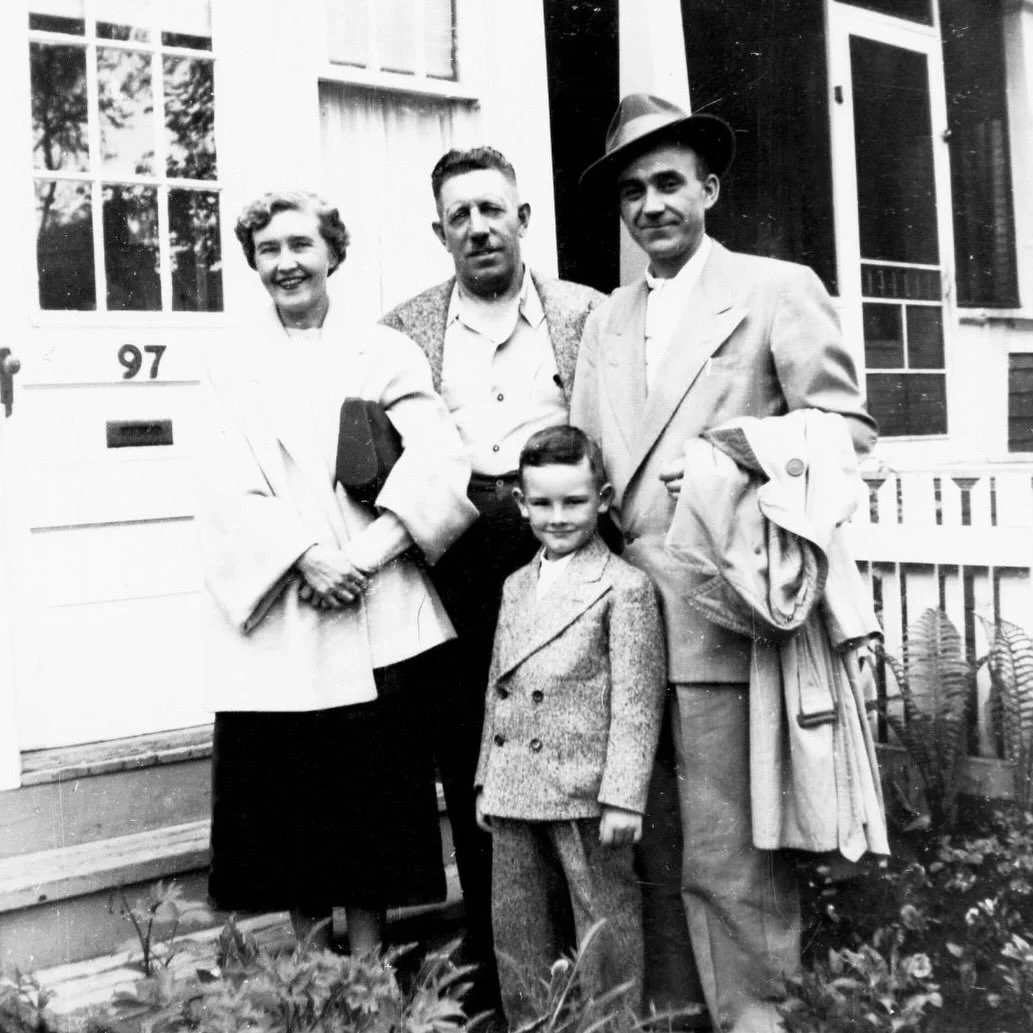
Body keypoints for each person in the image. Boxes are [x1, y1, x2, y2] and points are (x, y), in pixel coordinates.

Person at [572, 95, 879, 1033]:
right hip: (619, 624)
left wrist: (729, 451)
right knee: (636, 841)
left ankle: (755, 1021)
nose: (650, 205)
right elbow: (586, 457)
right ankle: (669, 1016)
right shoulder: (604, 318)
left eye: (669, 183)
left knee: (727, 852)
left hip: (719, 611)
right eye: (632, 191)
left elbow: (849, 432)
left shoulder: (775, 289)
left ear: (708, 188)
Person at [199, 190, 477, 956]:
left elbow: (438, 461)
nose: (285, 262)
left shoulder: (383, 351)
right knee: (289, 805)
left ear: (332, 253)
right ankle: (313, 973)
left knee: (371, 801)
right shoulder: (228, 362)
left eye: (300, 244)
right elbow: (220, 483)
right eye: (267, 249)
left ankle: (367, 969)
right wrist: (302, 555)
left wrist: (359, 556)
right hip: (282, 608)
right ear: (253, 262)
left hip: (375, 603)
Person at [381, 147, 603, 1006]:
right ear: (438, 232)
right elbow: (381, 458)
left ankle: (590, 962)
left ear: (524, 219)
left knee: (576, 754)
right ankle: (495, 966)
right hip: (463, 556)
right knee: (480, 759)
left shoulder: (586, 314)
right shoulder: (402, 330)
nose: (477, 227)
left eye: (491, 209)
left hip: (568, 550)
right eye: (458, 215)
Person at [474, 425, 666, 1027]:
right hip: (513, 787)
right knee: (519, 934)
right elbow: (497, 687)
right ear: (521, 503)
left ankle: (613, 1026)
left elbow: (637, 704)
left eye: (575, 502)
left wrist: (624, 798)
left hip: (585, 793)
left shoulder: (625, 588)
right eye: (544, 504)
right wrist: (486, 777)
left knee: (602, 930)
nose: (558, 518)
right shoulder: (515, 585)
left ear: (603, 498)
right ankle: (531, 1022)